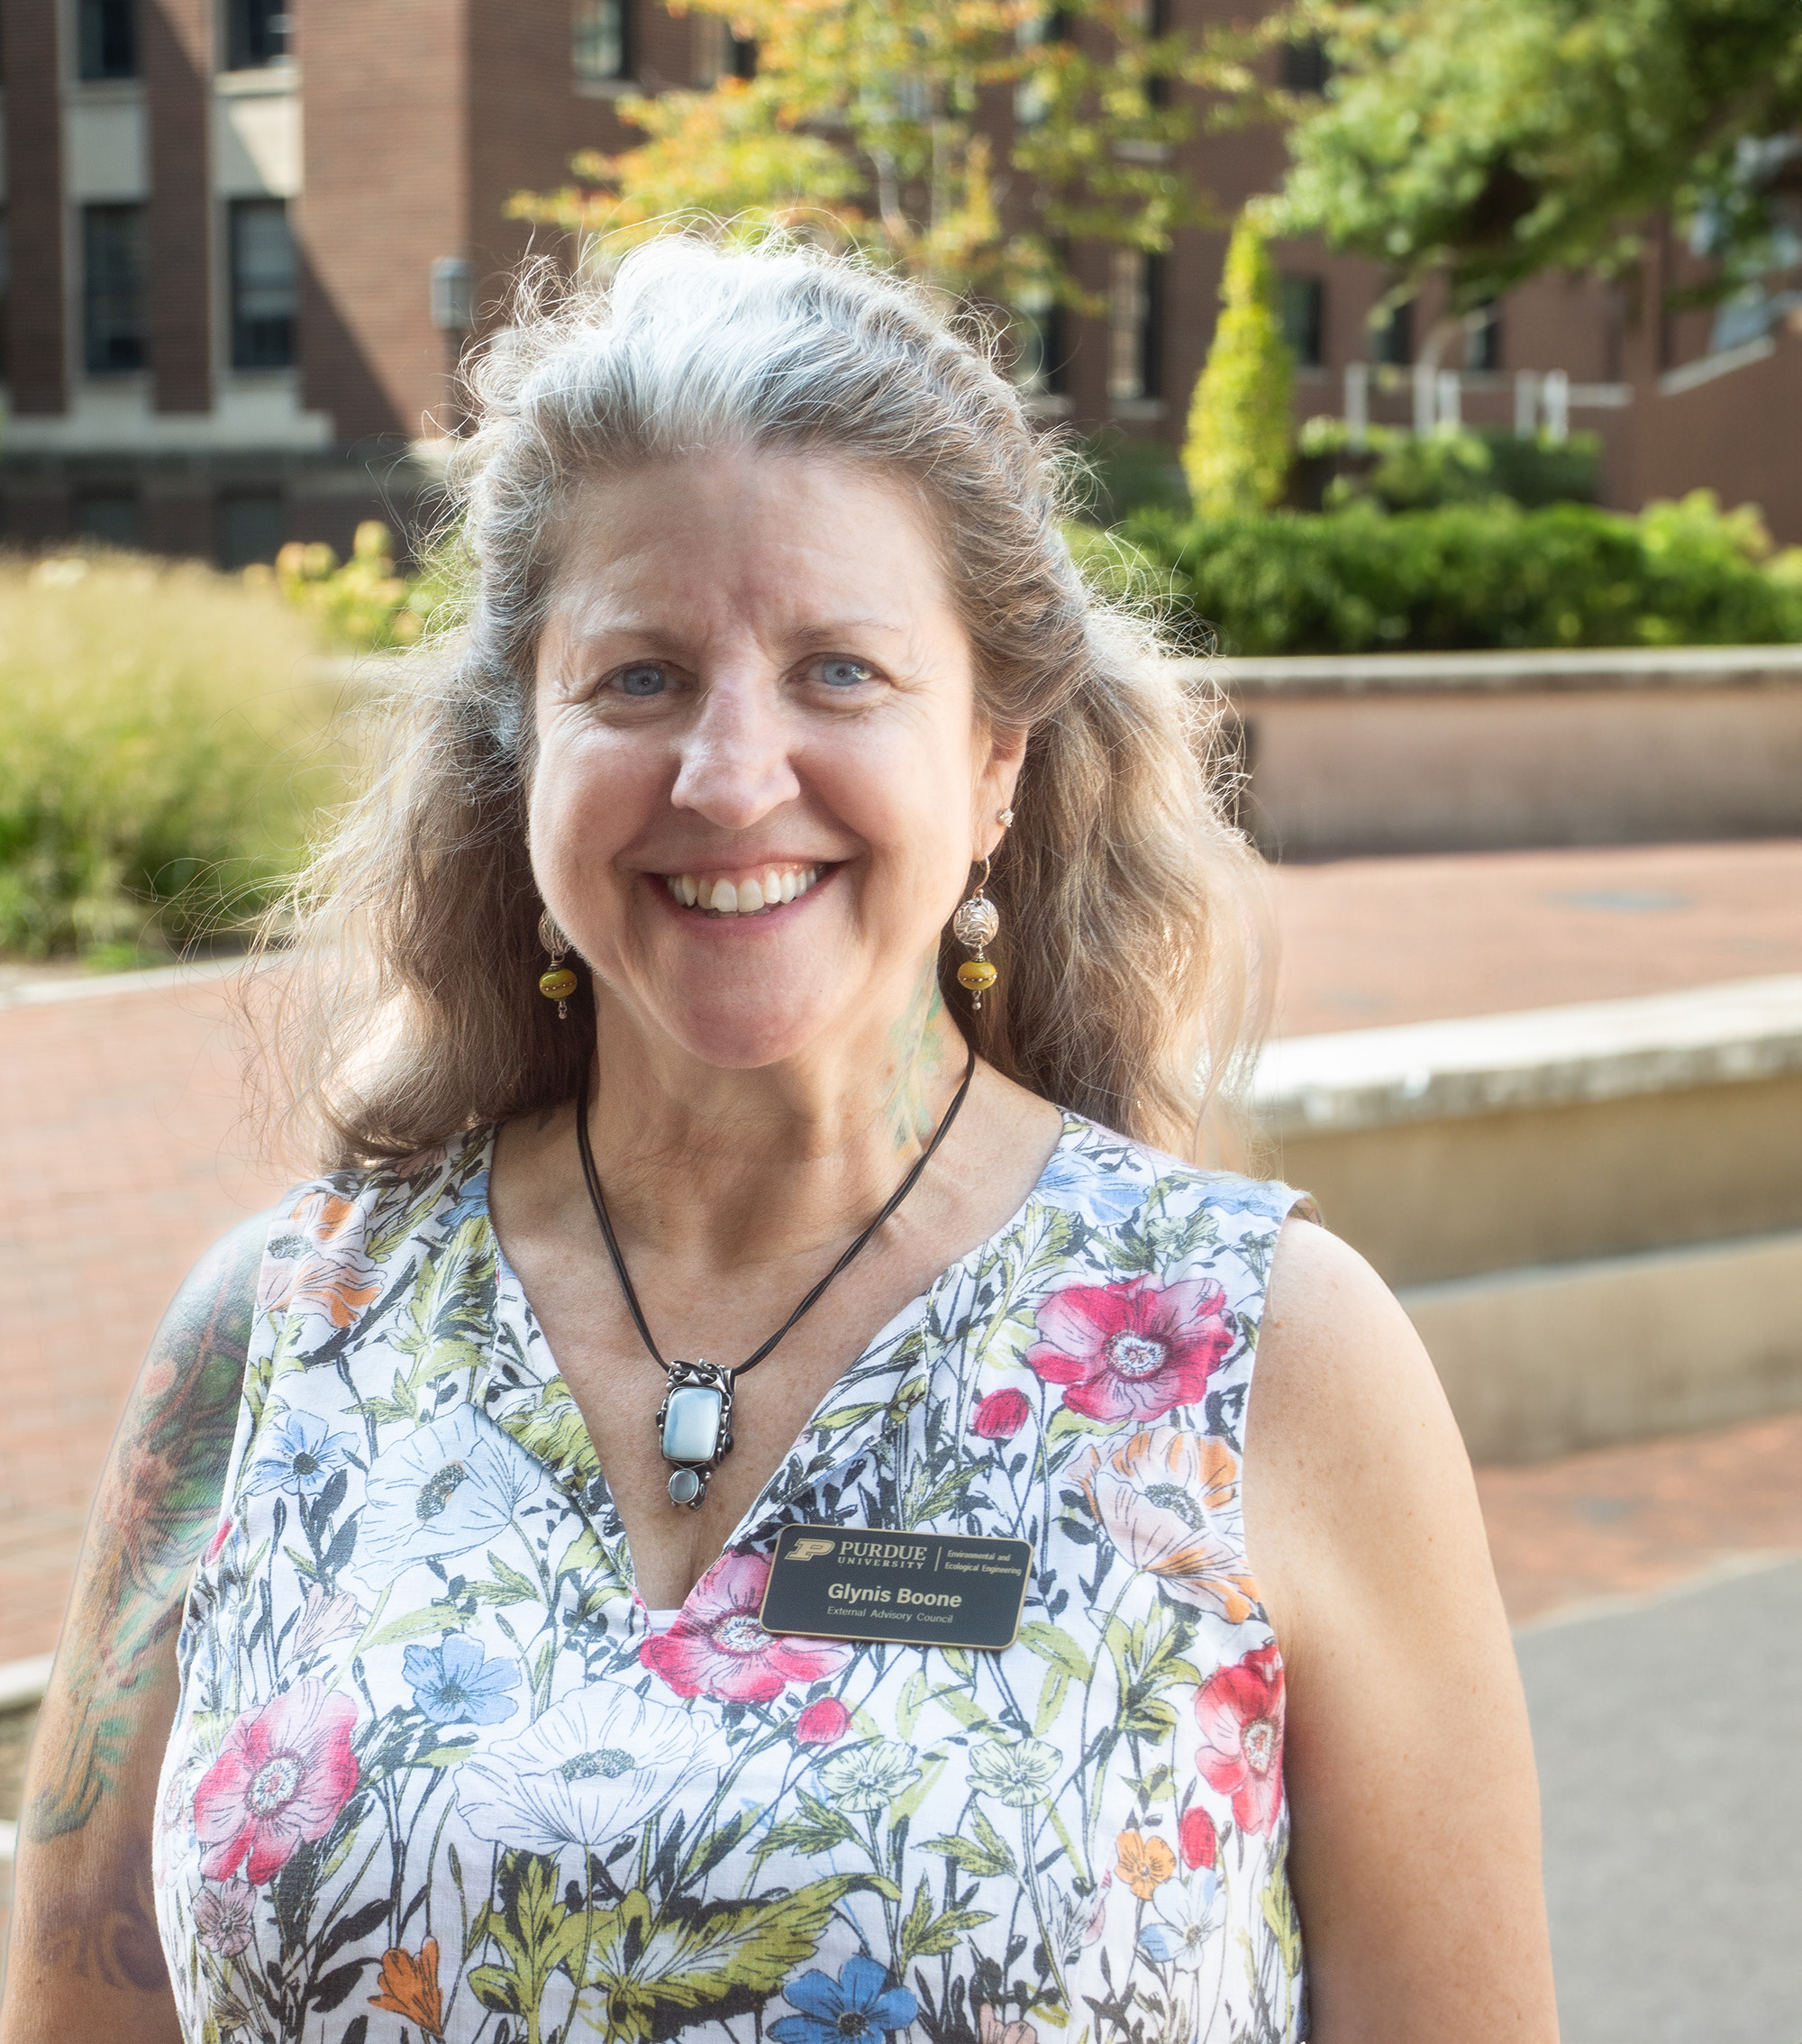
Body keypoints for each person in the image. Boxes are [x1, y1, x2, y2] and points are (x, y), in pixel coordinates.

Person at [0, 239, 1558, 2044]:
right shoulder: (269, 1341)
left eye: (837, 670)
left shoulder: (1267, 1359)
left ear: (995, 759)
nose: (731, 776)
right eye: (639, 678)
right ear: (522, 749)